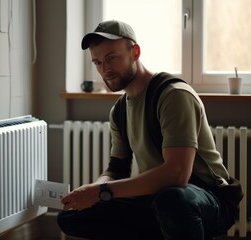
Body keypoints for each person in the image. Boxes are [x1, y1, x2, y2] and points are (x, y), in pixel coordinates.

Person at [56, 20, 242, 240]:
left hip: (208, 198)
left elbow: (177, 174)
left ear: (135, 52)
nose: (105, 69)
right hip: (158, 198)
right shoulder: (120, 111)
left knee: (172, 200)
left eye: (111, 58)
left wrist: (101, 192)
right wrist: (90, 192)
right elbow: (116, 169)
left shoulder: (173, 95)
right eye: (97, 62)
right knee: (71, 217)